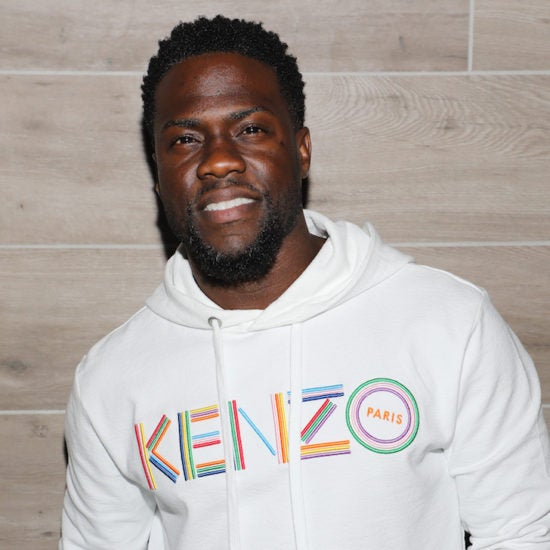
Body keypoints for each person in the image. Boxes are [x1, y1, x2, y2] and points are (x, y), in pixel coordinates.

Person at [60, 14, 550, 550]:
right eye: (185, 139)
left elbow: (522, 534)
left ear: (301, 150)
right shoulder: (112, 378)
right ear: (159, 175)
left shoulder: (448, 323)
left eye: (250, 129)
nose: (218, 160)